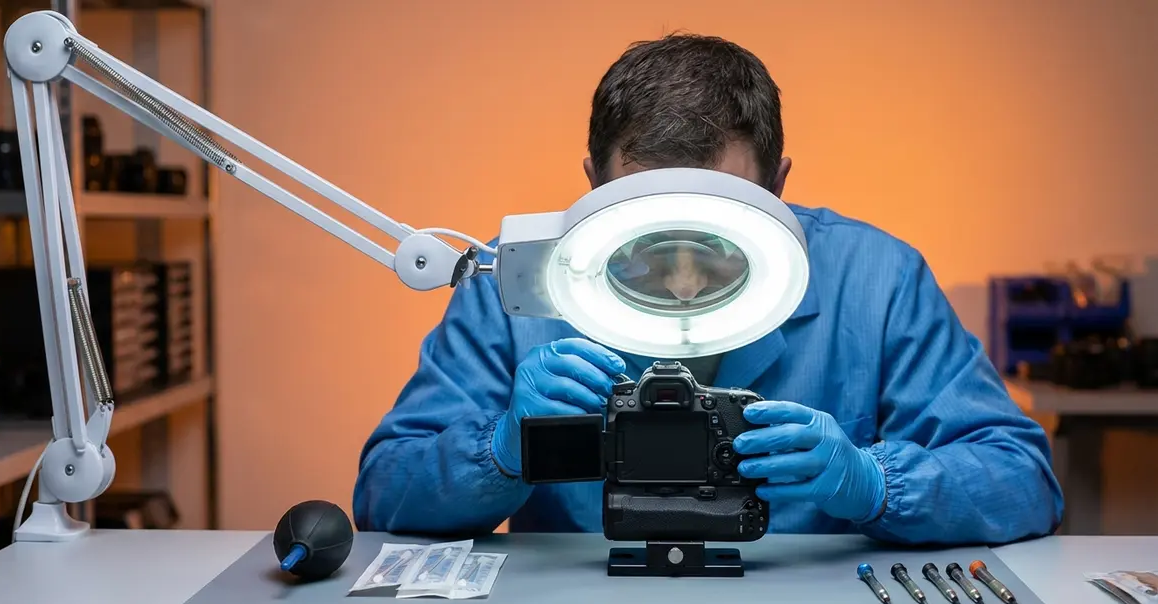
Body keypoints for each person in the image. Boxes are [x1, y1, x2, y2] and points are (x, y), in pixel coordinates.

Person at [352, 33, 1064, 545]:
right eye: (646, 234)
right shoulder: (517, 283)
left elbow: (1021, 481)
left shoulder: (875, 279)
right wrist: (502, 450)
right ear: (593, 187)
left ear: (778, 189)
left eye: (718, 234)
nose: (684, 281)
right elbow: (385, 493)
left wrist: (874, 482)